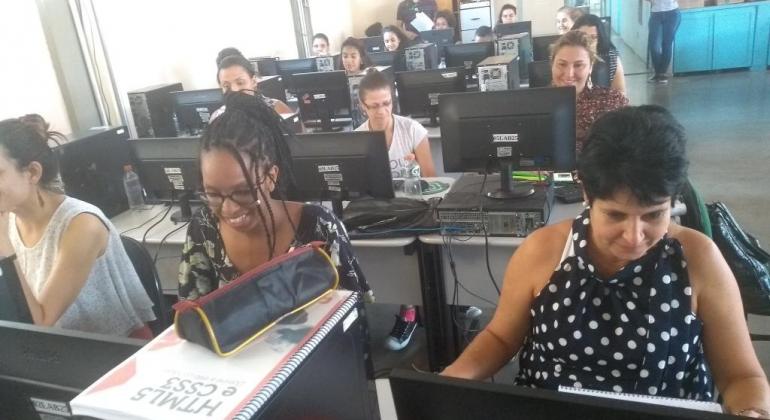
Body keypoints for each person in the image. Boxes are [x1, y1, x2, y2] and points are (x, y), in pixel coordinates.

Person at [442, 105, 770, 417]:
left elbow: (741, 376)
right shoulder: (544, 251)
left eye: (654, 214)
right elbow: (501, 338)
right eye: (615, 214)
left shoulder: (698, 259)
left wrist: (753, 410)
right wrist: (452, 381)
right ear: (586, 193)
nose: (634, 235)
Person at [178, 91, 372, 302]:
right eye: (213, 194)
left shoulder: (319, 226)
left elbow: (357, 311)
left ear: (271, 177)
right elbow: (192, 316)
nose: (228, 209)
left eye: (243, 192)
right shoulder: (204, 227)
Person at [0, 115, 156, 337]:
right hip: (56, 353)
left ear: (33, 172)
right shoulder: (9, 220)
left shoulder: (82, 224)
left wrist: (6, 251)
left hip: (114, 354)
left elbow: (41, 323)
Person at [354, 69, 436, 350]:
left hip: (413, 206)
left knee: (423, 243)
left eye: (386, 103)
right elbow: (357, 189)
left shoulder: (411, 129)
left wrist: (415, 172)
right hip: (380, 210)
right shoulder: (357, 138)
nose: (381, 111)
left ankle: (429, 305)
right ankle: (410, 309)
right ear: (362, 106)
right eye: (374, 105)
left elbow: (432, 179)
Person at [549, 30, 628, 153]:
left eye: (578, 65)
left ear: (590, 68)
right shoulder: (534, 103)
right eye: (562, 64)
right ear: (552, 65)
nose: (569, 74)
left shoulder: (613, 102)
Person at [212, 47, 293, 119]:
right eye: (226, 86)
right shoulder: (218, 118)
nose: (234, 90)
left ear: (253, 81)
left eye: (240, 83)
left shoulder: (276, 108)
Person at [573, 14, 627, 95]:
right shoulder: (568, 55)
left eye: (593, 37)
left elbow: (621, 93)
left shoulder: (610, 56)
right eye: (583, 37)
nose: (588, 42)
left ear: (600, 38)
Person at [646, 0, 681, 84]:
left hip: (672, 13)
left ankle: (661, 74)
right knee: (654, 46)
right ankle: (658, 73)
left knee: (667, 44)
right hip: (656, 14)